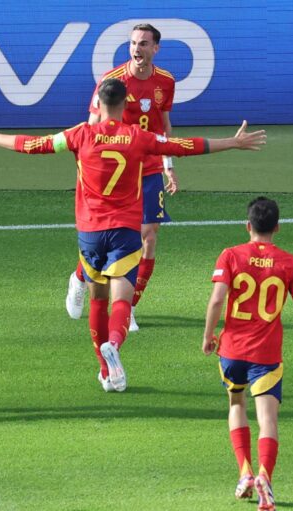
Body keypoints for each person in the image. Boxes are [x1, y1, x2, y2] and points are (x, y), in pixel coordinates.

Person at [0, 78, 265, 392]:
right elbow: (184, 146)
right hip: (124, 231)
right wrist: (232, 142)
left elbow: (32, 144)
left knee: (98, 300)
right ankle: (115, 345)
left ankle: (106, 371)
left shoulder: (80, 135)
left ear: (99, 103)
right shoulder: (138, 137)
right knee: (122, 299)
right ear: (125, 105)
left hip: (91, 232)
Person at [202, 197, 293, 511]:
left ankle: (244, 472)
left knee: (236, 405)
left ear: (248, 226)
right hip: (266, 355)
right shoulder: (289, 263)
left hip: (231, 351)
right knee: (268, 419)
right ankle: (265, 476)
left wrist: (208, 335)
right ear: (277, 227)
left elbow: (217, 299)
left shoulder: (230, 255)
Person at [65, 23, 178, 332]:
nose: (136, 48)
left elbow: (164, 125)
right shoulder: (113, 81)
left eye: (143, 43)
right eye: (132, 43)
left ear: (156, 48)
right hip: (120, 167)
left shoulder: (165, 82)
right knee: (113, 234)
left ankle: (128, 308)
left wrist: (169, 165)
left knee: (149, 235)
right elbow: (91, 125)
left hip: (151, 163)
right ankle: (79, 277)